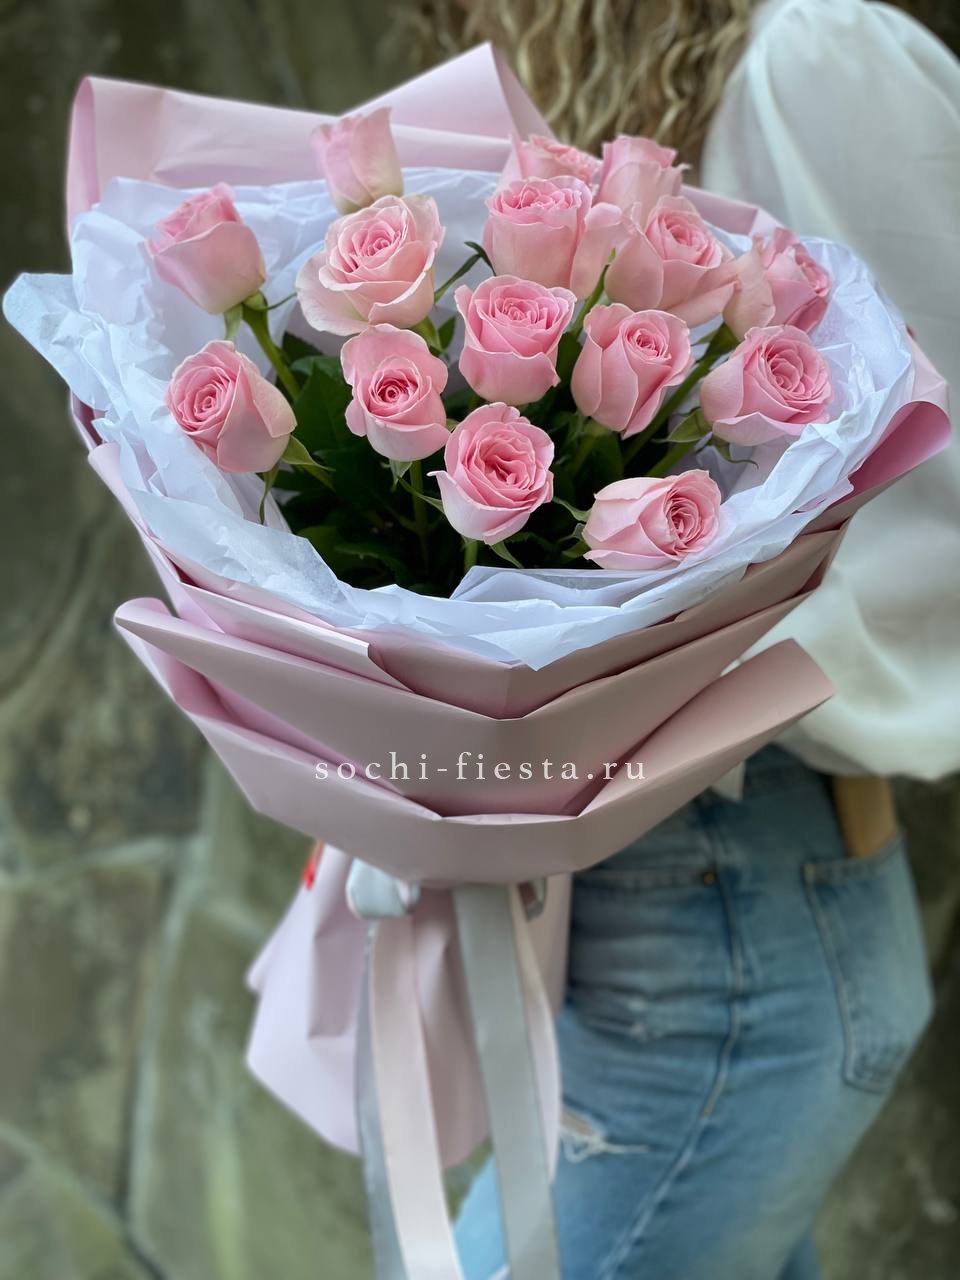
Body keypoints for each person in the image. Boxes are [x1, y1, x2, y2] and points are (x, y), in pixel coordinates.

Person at [396, 1, 960, 1277]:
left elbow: (934, 495)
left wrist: (671, 652)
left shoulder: (813, 52)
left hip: (731, 944)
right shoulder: (541, 76)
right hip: (643, 946)